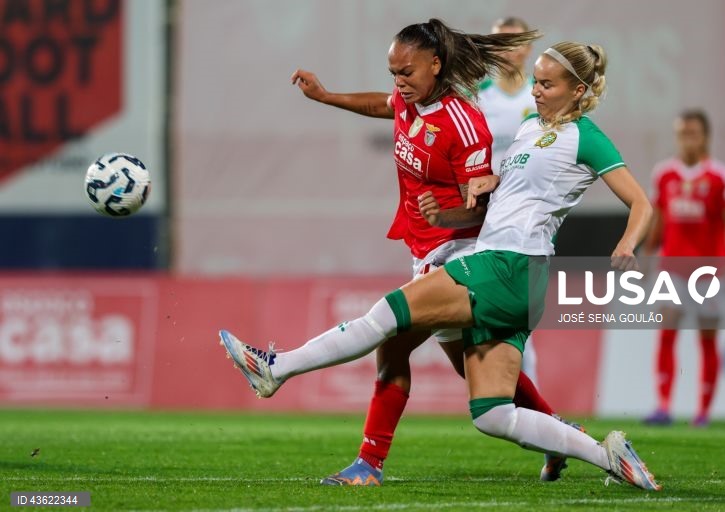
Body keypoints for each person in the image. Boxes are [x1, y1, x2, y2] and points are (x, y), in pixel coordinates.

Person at [220, 39, 660, 491]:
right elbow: (511, 195)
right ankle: (606, 455)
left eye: (548, 84)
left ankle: (277, 368)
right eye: (536, 81)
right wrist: (489, 183)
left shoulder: (586, 137)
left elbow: (641, 202)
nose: (536, 91)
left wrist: (628, 242)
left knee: (386, 317)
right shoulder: (531, 127)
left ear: (579, 90)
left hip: (509, 265)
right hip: (514, 277)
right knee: (491, 413)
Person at [290, 19, 573, 487]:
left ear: (435, 64)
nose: (397, 80)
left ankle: (362, 457)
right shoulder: (431, 97)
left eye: (405, 71)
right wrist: (327, 97)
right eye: (393, 71)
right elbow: (386, 105)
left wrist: (455, 213)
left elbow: (484, 193)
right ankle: (559, 436)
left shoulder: (510, 108)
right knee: (480, 372)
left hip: (475, 245)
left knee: (393, 339)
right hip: (436, 240)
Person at [642, 110, 725, 428]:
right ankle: (663, 406)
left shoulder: (720, 177)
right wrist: (647, 251)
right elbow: (658, 220)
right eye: (683, 133)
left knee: (707, 339)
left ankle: (703, 412)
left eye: (693, 133)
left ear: (705, 136)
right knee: (667, 331)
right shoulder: (664, 174)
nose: (688, 138)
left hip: (709, 271)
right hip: (672, 266)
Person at [477, 16, 540, 386]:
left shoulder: (540, 96)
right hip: (485, 214)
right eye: (499, 40)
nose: (507, 47)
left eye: (515, 40)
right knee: (492, 307)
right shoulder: (479, 96)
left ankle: (531, 401)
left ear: (528, 47)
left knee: (521, 312)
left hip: (526, 215)